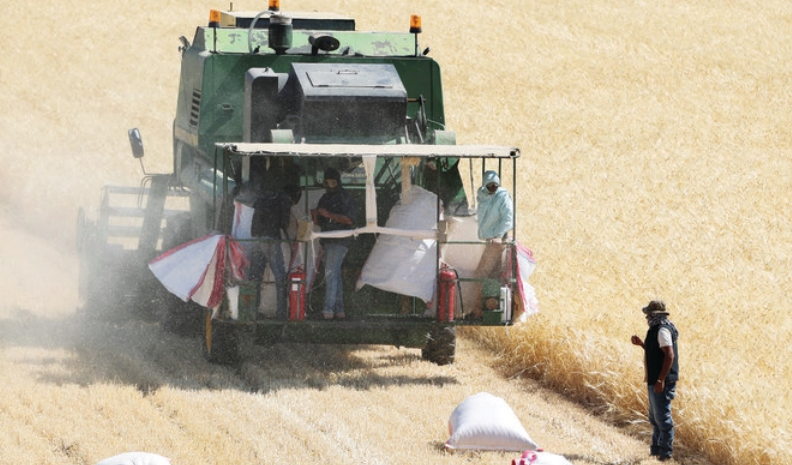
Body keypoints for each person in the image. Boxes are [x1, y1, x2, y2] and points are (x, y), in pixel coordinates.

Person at [631, 300, 680, 461]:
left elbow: (669, 356)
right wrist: (643, 345)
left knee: (663, 420)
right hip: (655, 379)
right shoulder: (655, 330)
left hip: (661, 381)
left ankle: (665, 456)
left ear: (655, 315)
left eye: (649, 314)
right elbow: (657, 352)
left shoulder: (662, 330)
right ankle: (655, 452)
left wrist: (661, 380)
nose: (647, 317)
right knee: (655, 418)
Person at [311, 167, 357, 320]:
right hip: (328, 240)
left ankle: (328, 310)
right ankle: (339, 310)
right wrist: (316, 216)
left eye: (332, 182)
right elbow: (319, 222)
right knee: (334, 275)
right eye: (326, 182)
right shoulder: (325, 198)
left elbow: (350, 220)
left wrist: (328, 214)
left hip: (340, 240)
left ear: (338, 182)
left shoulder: (345, 197)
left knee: (330, 274)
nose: (329, 185)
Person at [469, 170, 514, 319]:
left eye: (495, 185)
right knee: (483, 275)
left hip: (496, 242)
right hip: (489, 241)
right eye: (490, 186)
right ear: (484, 186)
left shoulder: (502, 196)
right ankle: (479, 309)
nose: (493, 188)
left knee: (480, 274)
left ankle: (478, 311)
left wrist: (499, 236)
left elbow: (508, 218)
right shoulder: (483, 195)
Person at [248, 186, 293, 320]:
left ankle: (252, 312)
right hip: (270, 236)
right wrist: (289, 240)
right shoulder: (283, 199)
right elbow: (285, 223)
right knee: (280, 276)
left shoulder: (261, 197)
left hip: (256, 236)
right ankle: (281, 314)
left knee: (255, 275)